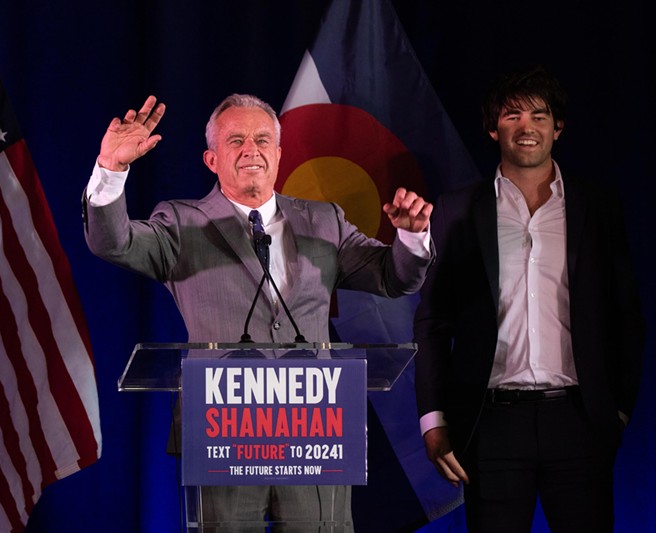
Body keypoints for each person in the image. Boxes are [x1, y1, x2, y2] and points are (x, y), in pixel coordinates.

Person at [83, 93, 434, 531]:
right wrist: (111, 169)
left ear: (279, 153)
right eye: (236, 140)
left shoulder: (325, 220)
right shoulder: (180, 223)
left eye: (262, 139)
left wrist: (412, 238)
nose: (252, 149)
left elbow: (394, 278)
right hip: (223, 429)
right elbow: (113, 243)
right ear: (212, 159)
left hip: (314, 429)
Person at [413, 64, 646, 532]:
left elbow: (626, 314)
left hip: (580, 421)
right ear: (491, 127)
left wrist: (618, 408)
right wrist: (433, 420)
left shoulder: (598, 207)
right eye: (512, 115)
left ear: (558, 128)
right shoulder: (456, 210)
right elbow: (434, 321)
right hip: (491, 424)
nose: (526, 127)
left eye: (539, 116)